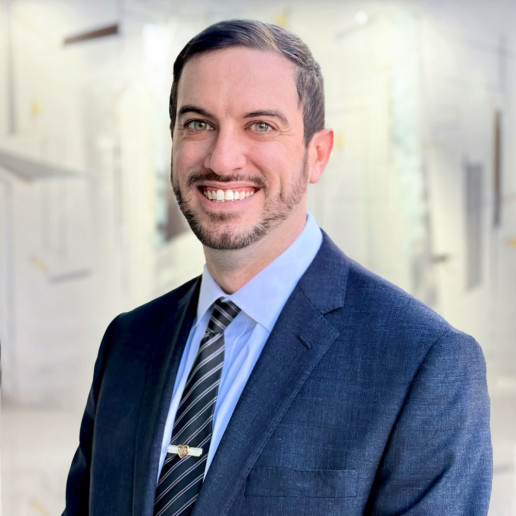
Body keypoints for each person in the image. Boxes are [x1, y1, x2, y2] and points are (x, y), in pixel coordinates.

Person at [63, 19, 492, 516]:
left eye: (260, 125)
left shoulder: (422, 362)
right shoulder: (128, 343)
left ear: (317, 154)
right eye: (198, 124)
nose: (223, 159)